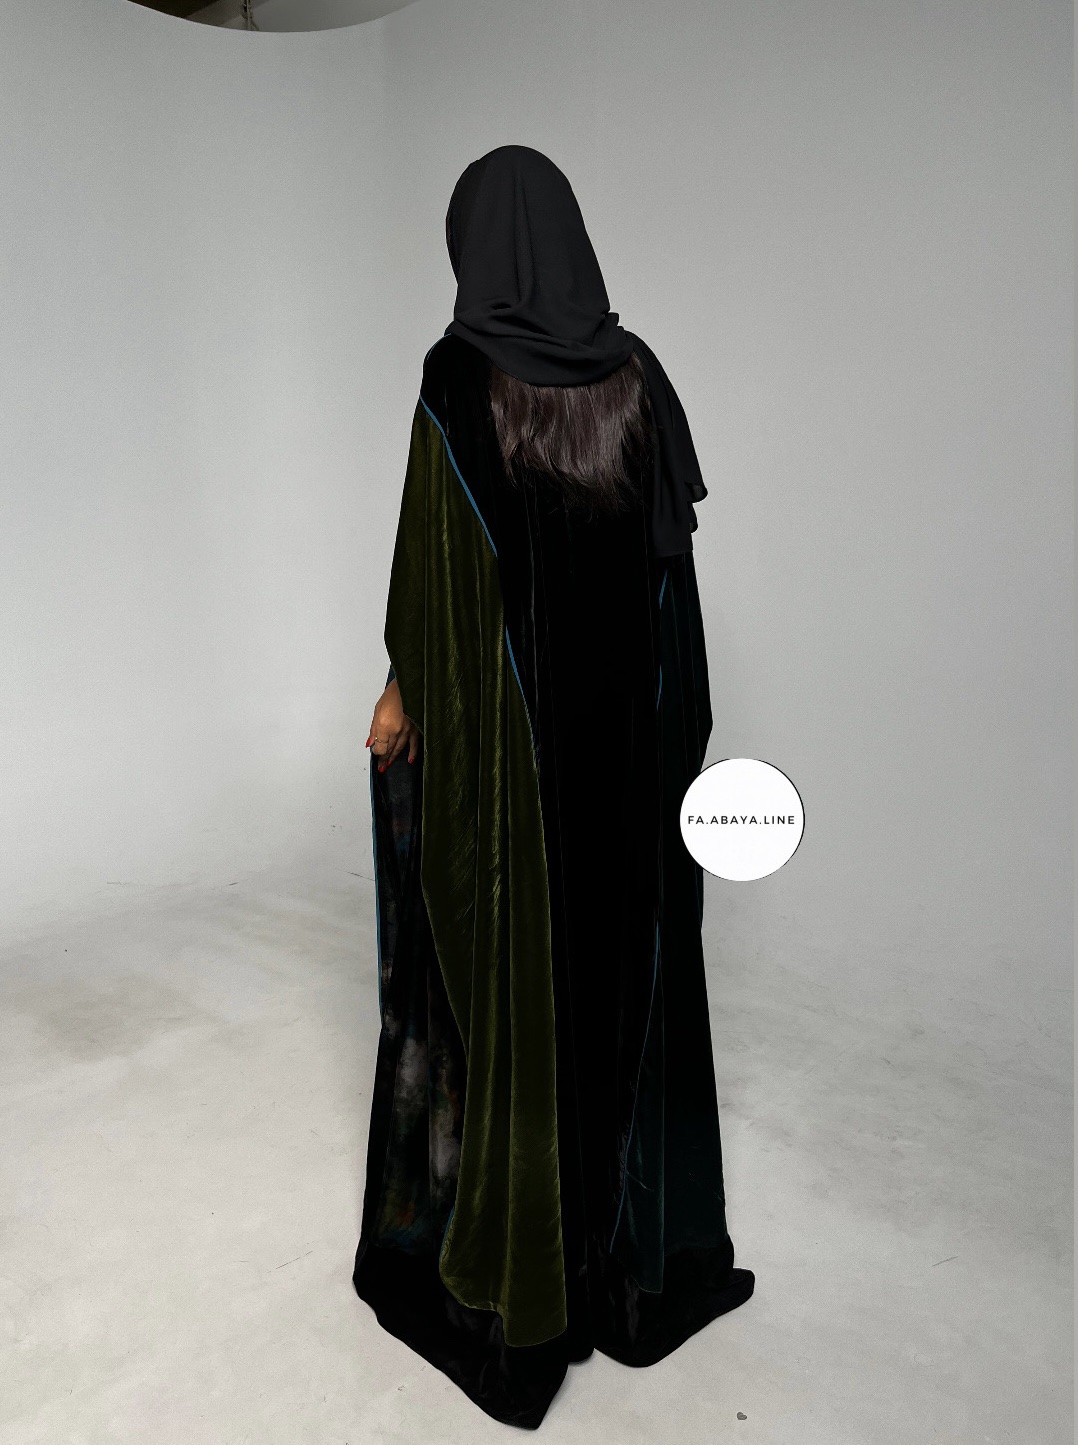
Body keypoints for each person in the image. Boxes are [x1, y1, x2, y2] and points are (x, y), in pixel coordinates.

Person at [352, 144, 754, 1429]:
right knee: (618, 987)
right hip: (624, 771)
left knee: (514, 991)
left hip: (517, 786)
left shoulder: (457, 378)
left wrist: (402, 693)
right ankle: (624, 1265)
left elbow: (438, 585)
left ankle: (523, 1284)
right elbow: (671, 591)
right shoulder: (638, 378)